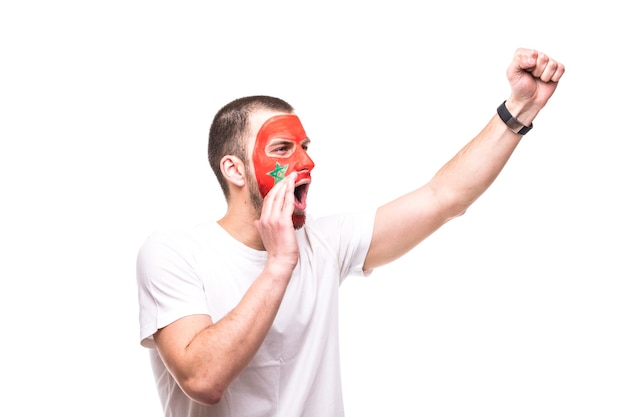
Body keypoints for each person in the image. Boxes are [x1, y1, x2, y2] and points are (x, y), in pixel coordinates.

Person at [136, 47, 565, 417]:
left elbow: (443, 197)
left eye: (306, 147)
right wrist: (280, 263)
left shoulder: (326, 242)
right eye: (283, 149)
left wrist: (520, 109)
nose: (306, 163)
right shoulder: (174, 253)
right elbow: (203, 378)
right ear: (234, 169)